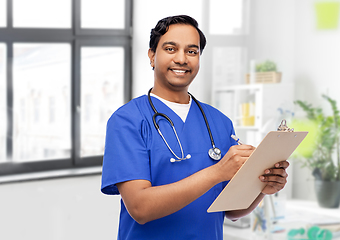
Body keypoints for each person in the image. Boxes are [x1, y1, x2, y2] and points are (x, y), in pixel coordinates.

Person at [101, 15, 289, 240]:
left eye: (192, 51)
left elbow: (232, 210)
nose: (182, 59)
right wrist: (217, 173)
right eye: (171, 49)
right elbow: (141, 208)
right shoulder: (127, 121)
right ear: (152, 56)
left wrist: (262, 189)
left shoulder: (219, 122)